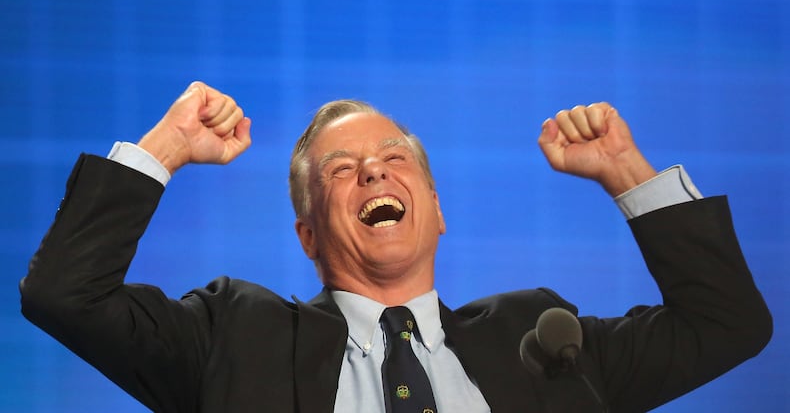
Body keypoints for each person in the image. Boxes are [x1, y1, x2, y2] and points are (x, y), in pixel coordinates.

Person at [20, 81, 771, 412]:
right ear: (308, 234)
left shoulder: (544, 340)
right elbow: (64, 294)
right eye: (341, 171)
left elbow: (727, 324)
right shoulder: (229, 339)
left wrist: (627, 175)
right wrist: (167, 146)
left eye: (393, 158)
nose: (372, 169)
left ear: (437, 211)